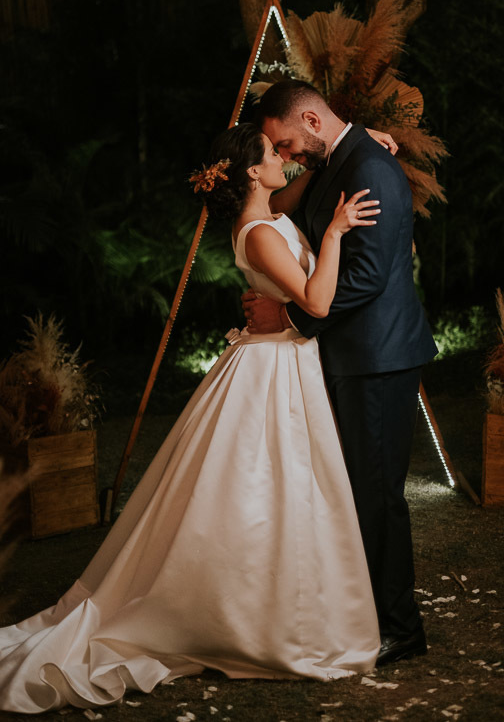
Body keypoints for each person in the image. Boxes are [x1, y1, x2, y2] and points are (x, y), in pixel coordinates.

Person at [0, 123, 385, 713]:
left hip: (284, 360)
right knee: (260, 495)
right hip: (271, 369)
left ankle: (291, 605)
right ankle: (247, 618)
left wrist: (354, 141)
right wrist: (333, 234)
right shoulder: (257, 233)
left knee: (290, 495)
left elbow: (299, 189)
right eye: (272, 152)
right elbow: (316, 301)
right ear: (252, 171)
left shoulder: (268, 209)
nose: (284, 156)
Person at [244, 79, 438, 666]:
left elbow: (368, 277)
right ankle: (368, 613)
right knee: (358, 493)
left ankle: (402, 630)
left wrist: (289, 315)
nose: (286, 156)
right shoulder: (342, 159)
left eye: (287, 143)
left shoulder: (369, 169)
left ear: (310, 118)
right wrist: (359, 143)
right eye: (276, 151)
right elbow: (284, 202)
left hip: (378, 359)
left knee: (378, 498)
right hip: (354, 356)